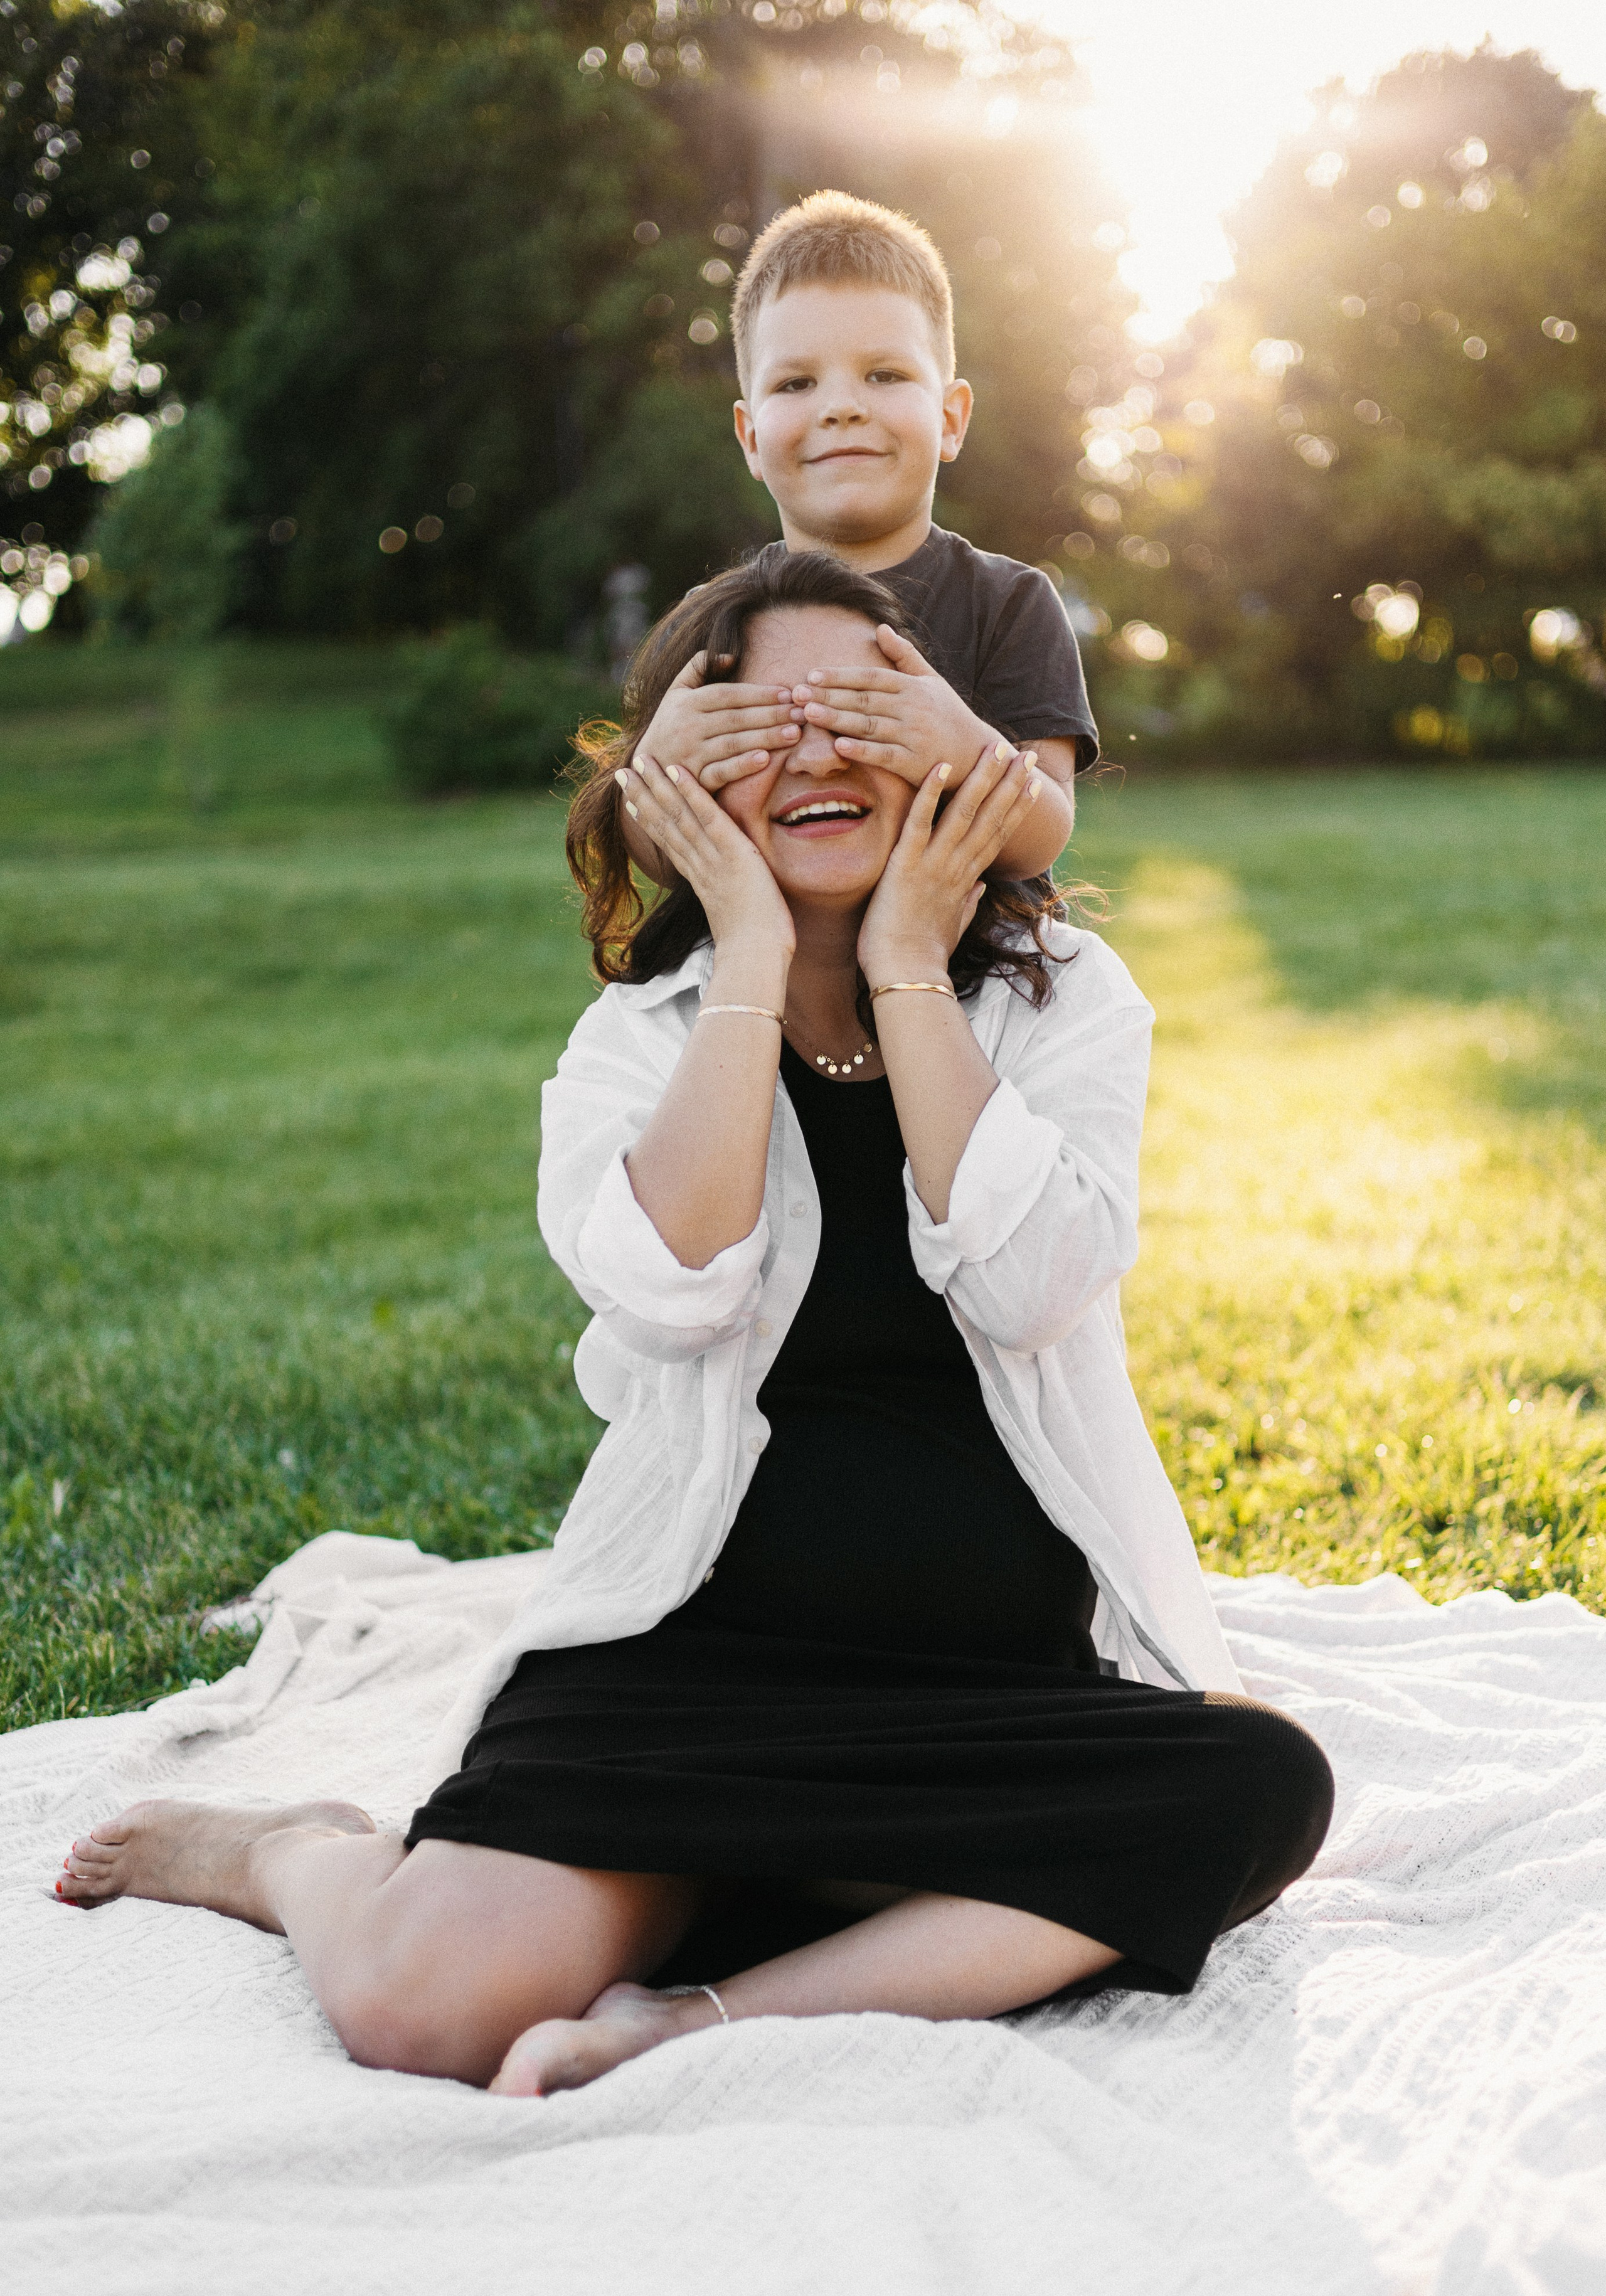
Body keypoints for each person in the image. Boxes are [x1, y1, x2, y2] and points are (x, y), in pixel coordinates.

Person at [56, 549, 1334, 2100]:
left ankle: (696, 2012)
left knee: (1257, 1783)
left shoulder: (1064, 1001)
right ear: (674, 791)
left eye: (862, 708)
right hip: (683, 1670)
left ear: (942, 742)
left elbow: (1031, 1281)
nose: (811, 755)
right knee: (421, 2010)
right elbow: (677, 1283)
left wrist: (911, 975)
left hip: (981, 1696)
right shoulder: (628, 1046)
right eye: (750, 728)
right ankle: (302, 1859)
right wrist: (740, 959)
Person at [624, 189, 1093, 893]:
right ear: (750, 439)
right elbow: (660, 863)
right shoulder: (708, 624)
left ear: (950, 418)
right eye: (796, 382)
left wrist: (963, 750)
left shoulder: (1009, 602)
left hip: (978, 986)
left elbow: (1041, 835)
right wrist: (659, 775)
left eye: (884, 374)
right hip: (778, 985)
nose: (841, 407)